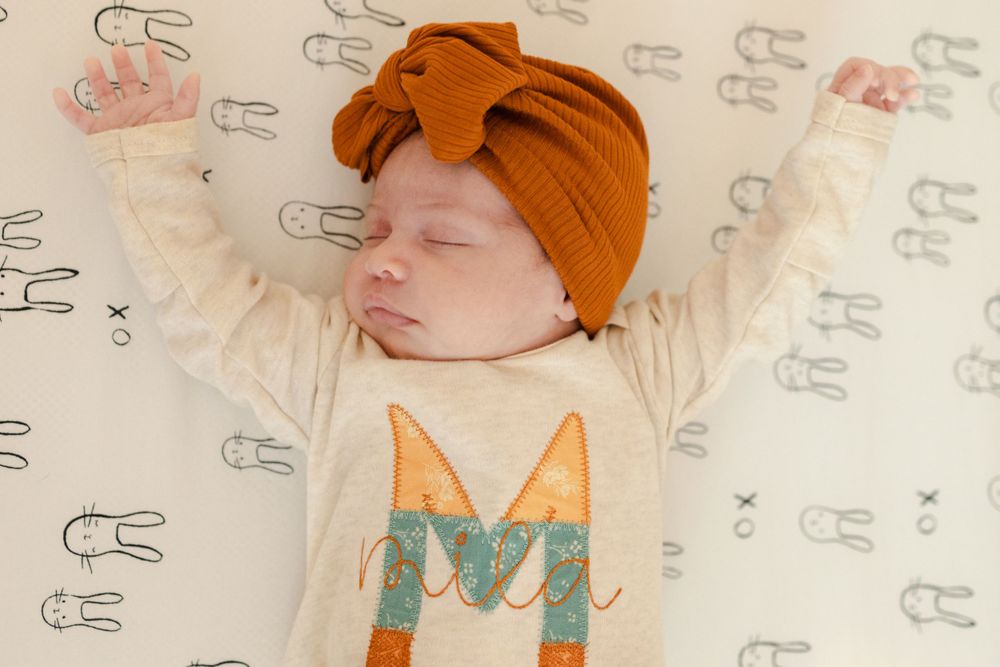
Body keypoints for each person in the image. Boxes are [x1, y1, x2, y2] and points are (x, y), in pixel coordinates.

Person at [53, 20, 918, 666]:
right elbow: (210, 308)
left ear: (568, 284)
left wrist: (842, 146)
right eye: (374, 229)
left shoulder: (637, 371)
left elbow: (768, 283)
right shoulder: (341, 369)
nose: (383, 258)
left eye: (443, 238)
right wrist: (148, 161)